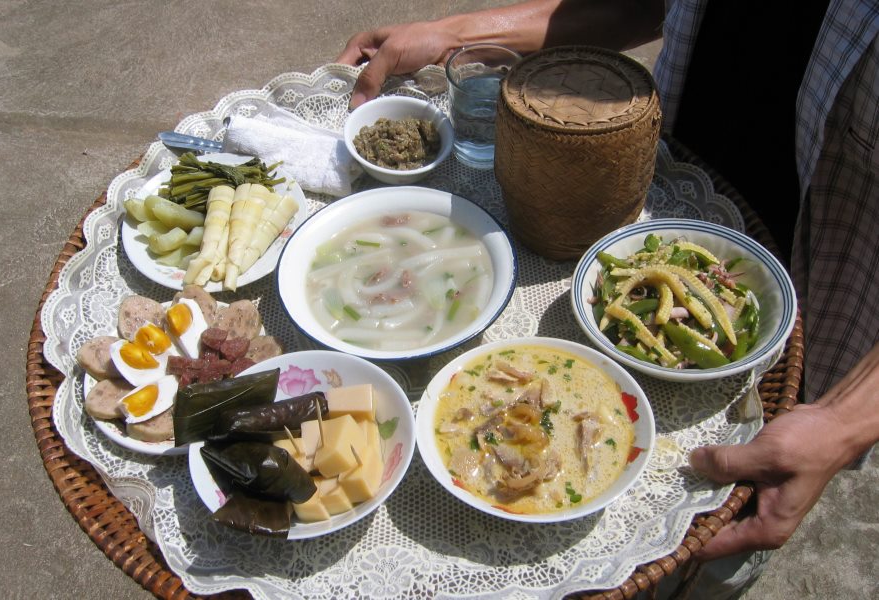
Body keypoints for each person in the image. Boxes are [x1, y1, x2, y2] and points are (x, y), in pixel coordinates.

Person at [338, 0, 879, 595]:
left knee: (716, 532)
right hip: (656, 182)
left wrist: (842, 421)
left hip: (830, 284)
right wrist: (454, 36)